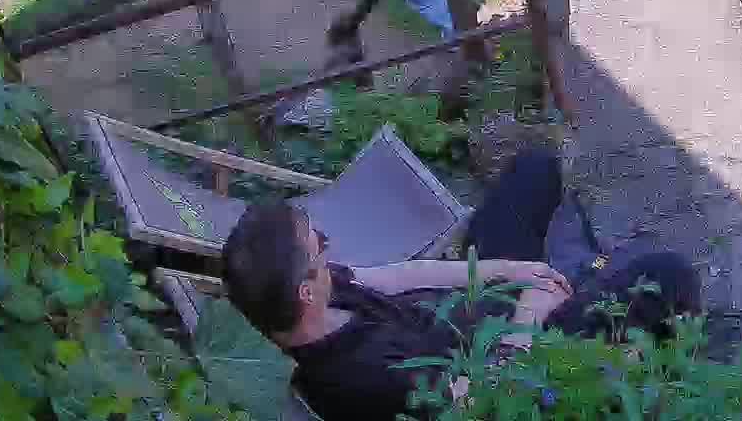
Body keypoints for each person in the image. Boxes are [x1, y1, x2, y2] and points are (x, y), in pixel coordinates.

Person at [221, 150, 701, 421]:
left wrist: (505, 269)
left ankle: (572, 287)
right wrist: (529, 317)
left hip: (468, 316)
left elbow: (399, 276)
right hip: (511, 363)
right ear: (305, 292)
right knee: (668, 273)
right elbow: (483, 398)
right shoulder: (362, 378)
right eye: (318, 245)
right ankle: (663, 376)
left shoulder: (316, 300)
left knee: (535, 169)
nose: (328, 246)